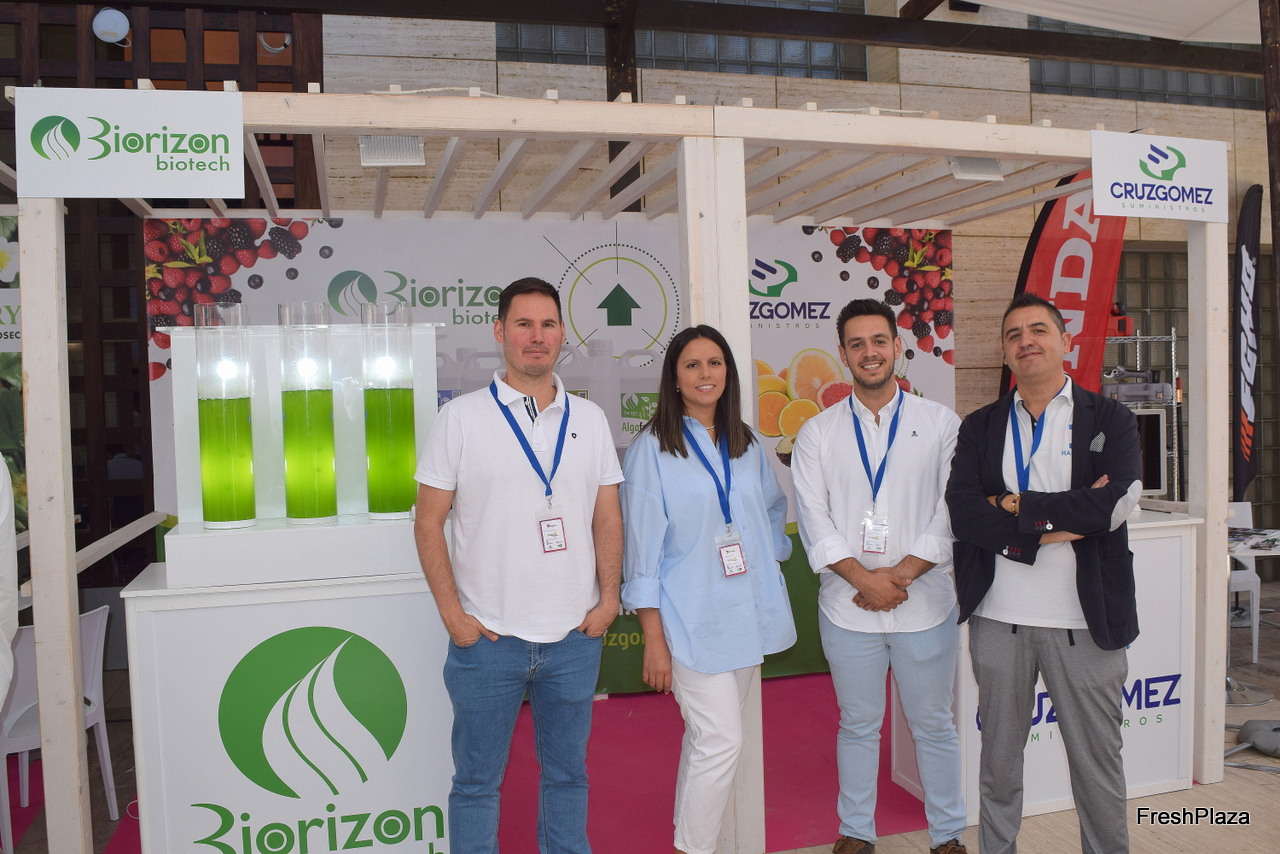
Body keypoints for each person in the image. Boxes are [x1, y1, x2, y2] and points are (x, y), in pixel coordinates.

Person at [414, 277, 623, 854]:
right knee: (476, 783)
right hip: (488, 639)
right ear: (499, 331)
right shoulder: (460, 418)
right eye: (524, 324)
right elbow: (428, 522)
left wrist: (609, 600)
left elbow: (607, 517)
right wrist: (454, 616)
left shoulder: (591, 419)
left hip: (574, 636)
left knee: (568, 776)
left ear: (562, 334)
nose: (537, 336)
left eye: (548, 324)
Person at [946, 293, 1141, 854]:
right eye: (1013, 334)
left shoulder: (1111, 418)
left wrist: (1012, 505)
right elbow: (964, 512)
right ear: (1005, 352)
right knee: (999, 766)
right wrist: (1058, 523)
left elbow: (1115, 504)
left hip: (1086, 622)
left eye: (1038, 329)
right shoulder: (980, 426)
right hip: (998, 619)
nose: (1025, 341)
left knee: (1097, 767)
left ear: (1065, 341)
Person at [791, 299, 967, 854]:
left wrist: (903, 573)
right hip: (848, 608)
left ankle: (948, 836)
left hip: (926, 604)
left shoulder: (940, 423)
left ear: (897, 346)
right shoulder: (817, 433)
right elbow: (814, 519)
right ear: (843, 355)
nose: (870, 352)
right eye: (857, 344)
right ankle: (856, 833)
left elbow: (952, 508)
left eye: (879, 341)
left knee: (934, 724)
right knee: (858, 725)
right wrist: (865, 581)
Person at [621, 324, 795, 854]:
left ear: (728, 373)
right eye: (692, 364)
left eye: (714, 363)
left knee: (708, 742)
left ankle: (690, 841)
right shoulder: (652, 449)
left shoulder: (745, 442)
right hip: (689, 619)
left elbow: (772, 507)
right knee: (721, 741)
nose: (705, 374)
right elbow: (641, 550)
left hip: (744, 613)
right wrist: (653, 638)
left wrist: (768, 559)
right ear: (674, 377)